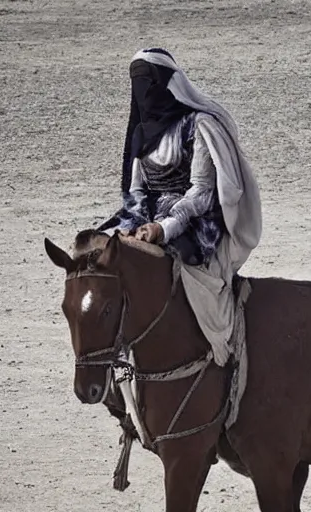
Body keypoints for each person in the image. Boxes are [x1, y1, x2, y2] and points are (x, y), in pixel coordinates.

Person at [98, 48, 262, 364]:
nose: (142, 92)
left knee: (187, 277)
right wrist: (133, 227)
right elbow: (136, 193)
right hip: (150, 218)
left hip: (195, 222)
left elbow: (201, 193)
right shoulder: (141, 133)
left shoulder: (198, 126)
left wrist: (164, 227)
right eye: (136, 83)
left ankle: (217, 352)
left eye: (147, 82)